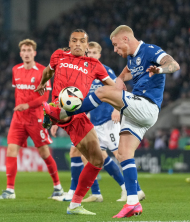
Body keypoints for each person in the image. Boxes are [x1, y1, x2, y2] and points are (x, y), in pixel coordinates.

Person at [42, 25, 180, 218]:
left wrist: (160, 69)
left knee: (100, 92)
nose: (114, 50)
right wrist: (120, 82)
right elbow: (121, 78)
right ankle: (133, 202)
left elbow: (174, 64)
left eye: (115, 45)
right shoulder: (132, 60)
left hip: (146, 105)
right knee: (123, 153)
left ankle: (63, 113)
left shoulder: (149, 50)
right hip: (137, 112)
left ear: (125, 39)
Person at [34, 29, 116, 215]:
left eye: (82, 41)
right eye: (74, 41)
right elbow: (48, 71)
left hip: (79, 114)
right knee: (63, 105)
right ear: (69, 43)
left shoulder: (94, 65)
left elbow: (111, 87)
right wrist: (41, 83)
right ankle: (55, 111)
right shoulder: (59, 55)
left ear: (87, 46)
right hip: (61, 106)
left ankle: (75, 204)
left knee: (96, 160)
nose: (78, 44)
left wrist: (120, 102)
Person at [52, 42, 145, 203]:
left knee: (120, 155)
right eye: (90, 52)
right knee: (87, 156)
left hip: (109, 121)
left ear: (99, 55)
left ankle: (135, 190)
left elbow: (119, 90)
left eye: (95, 52)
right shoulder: (84, 73)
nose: (92, 55)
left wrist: (117, 110)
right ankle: (96, 193)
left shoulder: (105, 71)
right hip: (94, 122)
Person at [0, 39, 63, 200]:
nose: (26, 53)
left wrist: (27, 105)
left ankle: (58, 187)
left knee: (44, 152)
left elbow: (45, 97)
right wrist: (21, 106)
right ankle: (10, 191)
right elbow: (18, 92)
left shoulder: (43, 71)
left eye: (29, 50)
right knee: (11, 150)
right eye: (23, 50)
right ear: (20, 53)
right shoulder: (15, 70)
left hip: (36, 118)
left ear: (34, 53)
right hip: (18, 119)